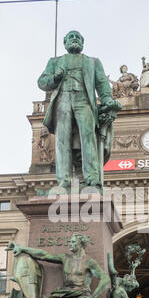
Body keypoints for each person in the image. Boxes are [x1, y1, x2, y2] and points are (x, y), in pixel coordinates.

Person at [37, 30, 119, 191]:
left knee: (88, 138)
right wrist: (55, 78)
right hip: (63, 101)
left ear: (82, 43)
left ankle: (92, 179)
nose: (74, 39)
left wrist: (107, 99)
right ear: (65, 43)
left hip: (84, 100)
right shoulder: (55, 61)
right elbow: (42, 82)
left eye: (77, 37)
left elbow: (102, 84)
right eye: (70, 37)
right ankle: (64, 182)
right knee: (62, 141)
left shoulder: (93, 62)